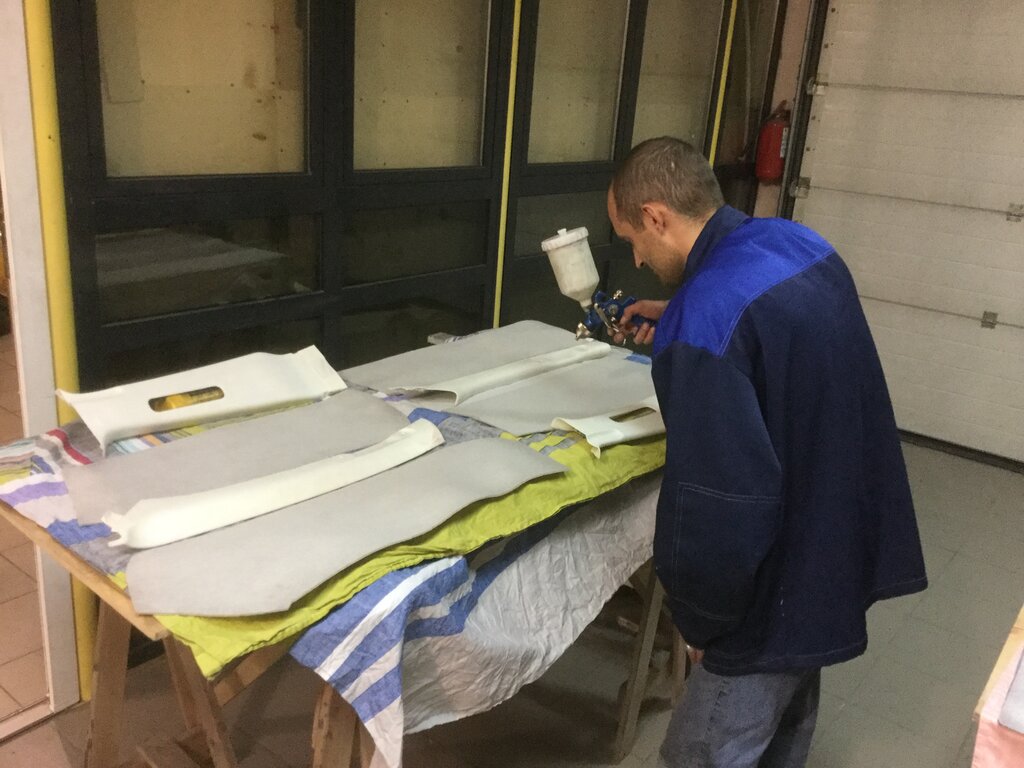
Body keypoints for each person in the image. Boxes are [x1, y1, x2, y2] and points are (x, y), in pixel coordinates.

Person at [607, 137, 927, 767]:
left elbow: (718, 504)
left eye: (632, 240)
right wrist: (680, 309)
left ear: (655, 216)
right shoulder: (796, 244)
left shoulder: (704, 319)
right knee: (784, 731)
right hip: (830, 549)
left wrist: (703, 623)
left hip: (771, 597)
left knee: (703, 753)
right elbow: (784, 332)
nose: (637, 259)